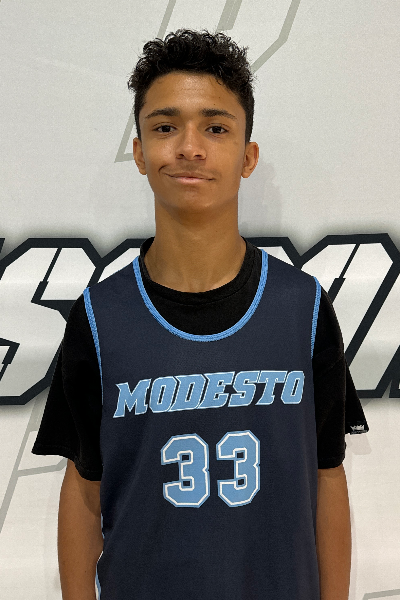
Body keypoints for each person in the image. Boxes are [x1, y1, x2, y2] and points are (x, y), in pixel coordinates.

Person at [32, 29, 369, 600]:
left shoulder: (304, 306)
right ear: (140, 152)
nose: (190, 147)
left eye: (216, 128)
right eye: (165, 127)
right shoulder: (99, 317)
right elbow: (85, 486)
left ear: (248, 156)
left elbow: (327, 475)